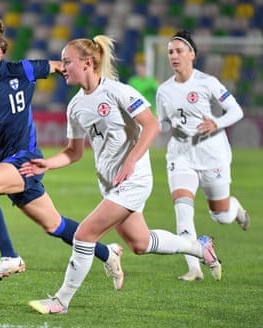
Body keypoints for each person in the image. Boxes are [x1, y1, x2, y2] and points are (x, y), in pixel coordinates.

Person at [20, 35, 222, 315]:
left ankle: (60, 300)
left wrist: (131, 161)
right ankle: (201, 249)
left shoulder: (118, 91)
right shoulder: (75, 106)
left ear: (87, 63)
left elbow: (151, 125)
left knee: (84, 234)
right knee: (140, 243)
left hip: (134, 180)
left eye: (68, 62)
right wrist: (48, 164)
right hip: (110, 184)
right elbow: (73, 152)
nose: (62, 67)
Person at [0, 18, 122, 285]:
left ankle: (10, 256)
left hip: (26, 158)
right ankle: (107, 252)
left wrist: (87, 77)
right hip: (6, 163)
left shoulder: (24, 69)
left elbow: (58, 66)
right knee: (55, 226)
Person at [156, 30, 250, 281]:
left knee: (221, 216)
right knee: (182, 209)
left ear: (192, 55)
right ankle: (194, 268)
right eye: (170, 52)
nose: (174, 56)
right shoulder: (164, 91)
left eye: (179, 51)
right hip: (180, 154)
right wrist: (160, 126)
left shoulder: (207, 82)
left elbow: (236, 111)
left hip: (211, 153)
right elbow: (164, 124)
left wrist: (216, 123)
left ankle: (235, 207)